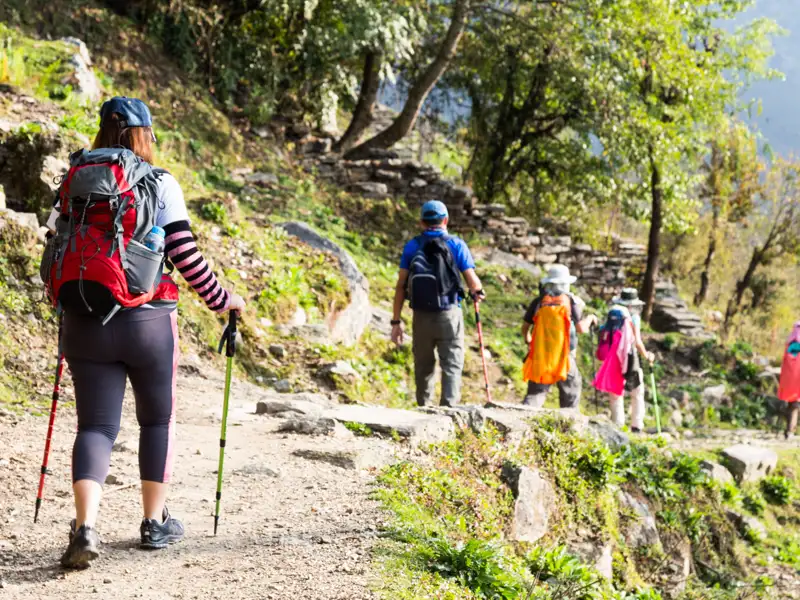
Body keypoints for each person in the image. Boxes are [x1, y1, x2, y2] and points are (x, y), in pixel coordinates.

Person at [44, 97, 245, 569]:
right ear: (144, 135)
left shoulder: (73, 181)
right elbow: (185, 255)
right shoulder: (159, 182)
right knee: (156, 420)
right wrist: (223, 301)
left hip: (83, 318)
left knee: (95, 425)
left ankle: (85, 527)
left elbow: (52, 242)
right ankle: (154, 523)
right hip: (148, 320)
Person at [391, 200, 484, 407]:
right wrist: (477, 292)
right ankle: (448, 410)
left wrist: (396, 321)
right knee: (451, 363)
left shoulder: (413, 246)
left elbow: (400, 286)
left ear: (421, 222)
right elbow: (472, 281)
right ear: (445, 220)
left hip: (421, 315)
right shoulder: (456, 244)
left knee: (423, 364)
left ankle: (423, 407)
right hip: (449, 314)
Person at [521, 264, 597, 408]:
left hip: (541, 355)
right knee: (571, 389)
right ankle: (569, 421)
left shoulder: (538, 302)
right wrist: (591, 318)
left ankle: (525, 418)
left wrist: (528, 340)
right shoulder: (570, 301)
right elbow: (581, 328)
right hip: (564, 355)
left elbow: (525, 328)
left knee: (537, 391)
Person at [592, 288, 654, 432]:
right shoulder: (634, 317)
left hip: (613, 359)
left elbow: (603, 332)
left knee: (615, 393)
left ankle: (617, 426)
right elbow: (637, 341)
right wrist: (647, 355)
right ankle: (636, 426)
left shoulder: (612, 315)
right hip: (630, 358)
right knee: (637, 391)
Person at [778, 320, 800, 439]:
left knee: (792, 403)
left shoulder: (790, 342)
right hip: (797, 379)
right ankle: (790, 430)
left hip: (788, 378)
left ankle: (788, 430)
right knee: (795, 405)